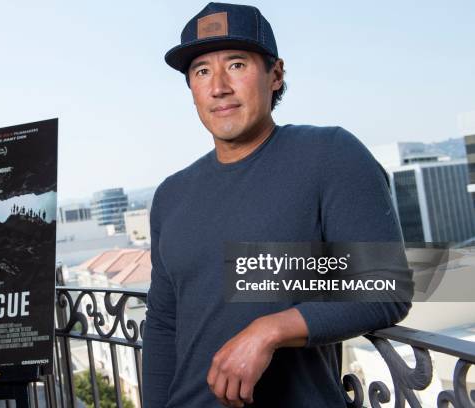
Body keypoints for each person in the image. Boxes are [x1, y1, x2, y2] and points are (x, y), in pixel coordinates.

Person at [142, 2, 411, 407]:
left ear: (276, 74)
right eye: (201, 71)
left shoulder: (329, 155)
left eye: (236, 65)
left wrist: (270, 329)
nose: (218, 86)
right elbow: (163, 325)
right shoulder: (170, 195)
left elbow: (385, 288)